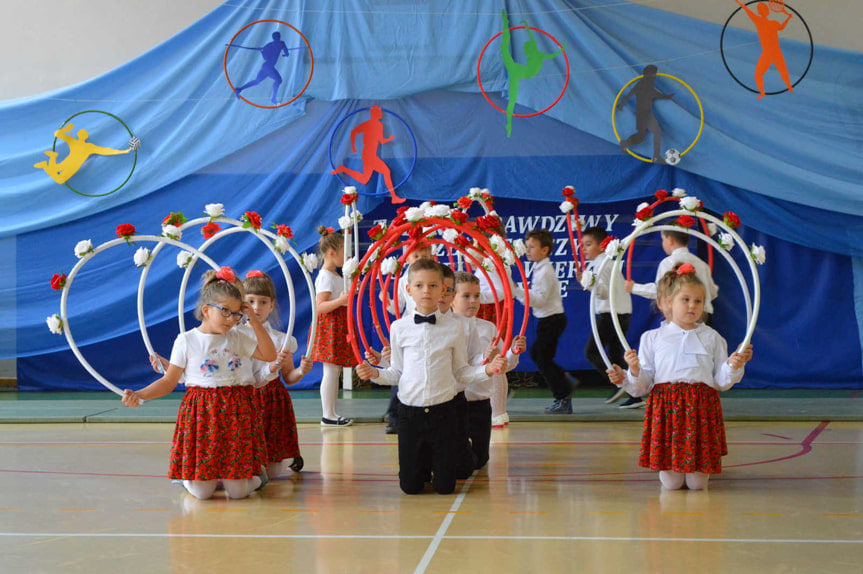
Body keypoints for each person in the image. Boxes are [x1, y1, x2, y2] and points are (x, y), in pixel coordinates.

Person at [121, 267, 277, 500]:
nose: (231, 319)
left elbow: (269, 354)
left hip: (237, 412)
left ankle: (246, 476)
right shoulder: (187, 341)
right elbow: (168, 381)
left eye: (236, 314)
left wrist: (253, 321)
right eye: (225, 311)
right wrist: (140, 394)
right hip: (203, 413)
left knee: (238, 492)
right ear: (206, 310)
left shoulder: (239, 337)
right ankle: (193, 477)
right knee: (202, 493)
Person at [356, 259, 506, 494]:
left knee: (446, 487)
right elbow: (397, 373)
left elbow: (461, 372)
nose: (426, 291)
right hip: (409, 413)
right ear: (408, 290)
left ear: (444, 290)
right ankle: (420, 464)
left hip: (444, 411)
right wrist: (374, 373)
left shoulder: (454, 327)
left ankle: (457, 452)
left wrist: (487, 369)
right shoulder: (398, 328)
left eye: (433, 286)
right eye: (419, 285)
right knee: (411, 487)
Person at [607, 264, 754, 490]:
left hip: (700, 407)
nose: (692, 306)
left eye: (698, 301)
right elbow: (643, 385)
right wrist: (631, 373)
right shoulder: (652, 338)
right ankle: (672, 470)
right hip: (667, 407)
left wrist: (734, 365)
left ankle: (697, 470)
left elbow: (720, 382)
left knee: (697, 484)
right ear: (667, 303)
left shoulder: (712, 337)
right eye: (685, 300)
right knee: (671, 483)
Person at [243, 270, 313, 477]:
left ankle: (288, 456)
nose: (257, 308)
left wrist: (301, 371)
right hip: (244, 398)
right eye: (251, 301)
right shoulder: (234, 335)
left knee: (272, 470)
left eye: (263, 302)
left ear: (271, 305)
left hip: (271, 399)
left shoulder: (281, 340)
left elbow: (289, 377)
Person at [453, 272, 526, 468]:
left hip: (481, 403)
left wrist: (513, 351)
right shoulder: (446, 328)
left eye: (477, 296)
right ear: (451, 297)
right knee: (460, 459)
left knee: (480, 460)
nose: (473, 301)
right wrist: (483, 361)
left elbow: (503, 365)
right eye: (466, 296)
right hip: (453, 404)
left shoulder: (488, 327)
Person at [517, 228, 578, 414]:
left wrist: (516, 291)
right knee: (539, 355)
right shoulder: (539, 268)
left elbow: (539, 300)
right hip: (548, 319)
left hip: (552, 319)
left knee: (542, 357)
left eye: (532, 247)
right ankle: (565, 382)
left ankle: (563, 395)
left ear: (545, 250)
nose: (528, 250)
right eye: (527, 246)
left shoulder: (544, 271)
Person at [577, 227, 638, 408]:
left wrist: (587, 283)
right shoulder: (606, 263)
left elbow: (603, 293)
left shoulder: (601, 263)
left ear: (602, 245)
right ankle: (634, 394)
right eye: (583, 245)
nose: (584, 249)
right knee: (615, 354)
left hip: (611, 314)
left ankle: (621, 383)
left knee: (593, 352)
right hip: (621, 313)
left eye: (588, 244)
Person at [381, 241, 433, 434]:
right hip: (410, 330)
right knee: (401, 371)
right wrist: (387, 302)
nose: (421, 259)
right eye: (416, 256)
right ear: (407, 258)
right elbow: (397, 307)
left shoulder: (438, 276)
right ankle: (395, 417)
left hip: (433, 329)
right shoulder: (403, 280)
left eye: (424, 255)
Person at [310, 226, 356, 427]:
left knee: (333, 371)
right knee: (330, 371)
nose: (348, 257)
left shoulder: (335, 276)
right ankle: (328, 414)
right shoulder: (326, 276)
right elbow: (320, 307)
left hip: (337, 324)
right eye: (345, 253)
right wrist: (341, 300)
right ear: (331, 253)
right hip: (330, 326)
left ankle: (331, 412)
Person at [625, 229, 719, 321]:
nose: (663, 243)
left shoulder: (667, 263)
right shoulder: (702, 264)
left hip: (681, 316)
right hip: (703, 315)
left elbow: (661, 290)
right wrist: (698, 300)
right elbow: (712, 292)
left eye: (663, 239)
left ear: (670, 240)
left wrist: (634, 288)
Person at [500, 9, 566, 137]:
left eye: (526, 49)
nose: (525, 52)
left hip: (525, 72)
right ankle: (505, 25)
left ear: (530, 48)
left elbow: (552, 55)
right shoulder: (534, 51)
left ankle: (505, 26)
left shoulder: (538, 54)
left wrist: (561, 49)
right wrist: (526, 26)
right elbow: (531, 37)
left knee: (512, 98)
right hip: (520, 71)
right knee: (504, 50)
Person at [331, 105, 406, 203]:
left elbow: (381, 141)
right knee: (386, 172)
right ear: (374, 114)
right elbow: (354, 132)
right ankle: (394, 197)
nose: (381, 114)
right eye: (379, 112)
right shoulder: (370, 124)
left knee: (364, 179)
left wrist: (389, 139)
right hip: (369, 155)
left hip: (369, 155)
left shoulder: (379, 125)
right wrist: (353, 147)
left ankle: (344, 169)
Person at [34, 123, 131, 184]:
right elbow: (57, 134)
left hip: (70, 164)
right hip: (71, 164)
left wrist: (122, 151)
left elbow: (106, 151)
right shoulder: (81, 144)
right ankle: (50, 160)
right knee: (59, 178)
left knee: (57, 176)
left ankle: (51, 159)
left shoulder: (82, 144)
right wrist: (65, 130)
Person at [735, 0, 794, 99]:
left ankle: (789, 86)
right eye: (761, 9)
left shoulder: (770, 22)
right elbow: (747, 10)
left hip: (774, 51)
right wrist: (788, 18)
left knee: (781, 71)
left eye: (762, 9)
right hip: (769, 52)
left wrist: (788, 18)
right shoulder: (761, 21)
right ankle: (763, 92)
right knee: (759, 73)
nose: (762, 10)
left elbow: (781, 27)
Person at [616, 65, 674, 164]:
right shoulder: (646, 84)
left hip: (642, 113)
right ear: (648, 74)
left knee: (642, 136)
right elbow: (654, 93)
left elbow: (631, 93)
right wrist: (665, 96)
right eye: (654, 74)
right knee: (657, 132)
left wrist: (621, 104)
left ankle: (626, 143)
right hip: (645, 113)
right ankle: (656, 157)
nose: (655, 76)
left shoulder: (642, 84)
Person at [232, 31, 291, 105]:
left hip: (266, 66)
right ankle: (273, 98)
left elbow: (268, 57)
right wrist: (263, 51)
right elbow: (285, 53)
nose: (277, 39)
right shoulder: (279, 43)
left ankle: (239, 89)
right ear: (276, 38)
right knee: (278, 80)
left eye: (277, 37)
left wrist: (262, 51)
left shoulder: (270, 45)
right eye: (277, 37)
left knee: (257, 81)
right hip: (268, 66)